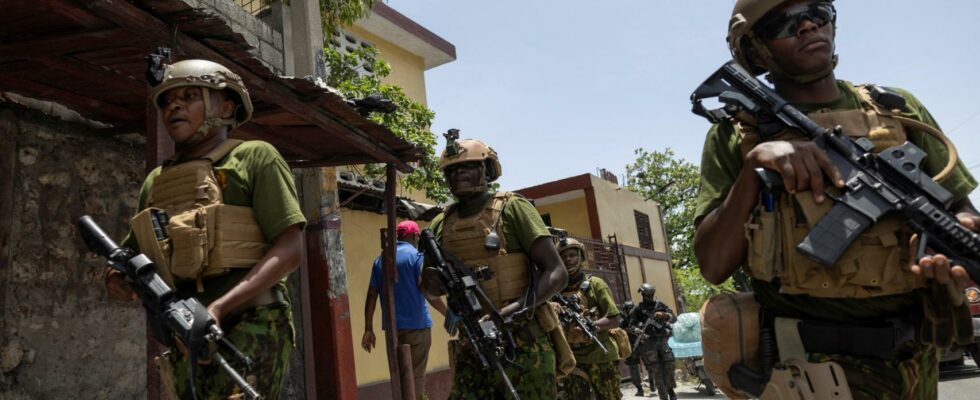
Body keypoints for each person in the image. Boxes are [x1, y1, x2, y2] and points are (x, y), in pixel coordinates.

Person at [694, 0, 980, 398]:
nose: (809, 26)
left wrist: (960, 232)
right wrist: (755, 167)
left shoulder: (896, 109)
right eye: (786, 22)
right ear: (756, 48)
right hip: (812, 370)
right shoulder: (737, 135)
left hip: (917, 356)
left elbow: (960, 207)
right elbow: (712, 263)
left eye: (819, 12)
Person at [104, 59, 306, 399]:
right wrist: (116, 278)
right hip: (185, 336)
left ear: (226, 107)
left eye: (190, 95)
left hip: (250, 324)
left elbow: (290, 249)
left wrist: (219, 307)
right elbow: (133, 253)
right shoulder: (157, 181)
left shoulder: (256, 157)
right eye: (168, 101)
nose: (175, 105)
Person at [419, 134, 569, 399]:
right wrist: (434, 285)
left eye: (467, 166)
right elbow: (429, 289)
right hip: (473, 343)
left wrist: (510, 312)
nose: (458, 174)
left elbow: (557, 273)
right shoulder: (440, 224)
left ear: (487, 169)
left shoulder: (513, 208)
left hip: (523, 341)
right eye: (451, 170)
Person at [362, 220, 447, 400]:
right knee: (415, 378)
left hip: (393, 330)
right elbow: (428, 290)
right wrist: (447, 313)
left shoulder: (381, 259)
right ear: (415, 236)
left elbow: (371, 294)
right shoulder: (416, 257)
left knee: (398, 377)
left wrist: (368, 328)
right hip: (418, 328)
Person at [554, 238, 622, 400]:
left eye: (572, 255)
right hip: (572, 361)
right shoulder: (555, 291)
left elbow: (614, 318)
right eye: (563, 256)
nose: (568, 259)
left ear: (581, 257)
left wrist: (592, 325)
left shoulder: (596, 284)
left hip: (600, 357)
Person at [627, 284, 676, 400]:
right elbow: (631, 326)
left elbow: (673, 317)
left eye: (650, 294)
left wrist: (665, 315)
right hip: (649, 344)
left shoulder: (660, 305)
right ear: (642, 294)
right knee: (656, 372)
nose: (649, 297)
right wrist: (638, 331)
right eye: (646, 294)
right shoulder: (637, 309)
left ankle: (671, 390)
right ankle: (663, 396)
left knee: (669, 367)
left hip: (663, 340)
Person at [620, 301, 649, 396]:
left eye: (630, 309)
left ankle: (652, 382)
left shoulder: (640, 317)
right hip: (631, 346)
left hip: (642, 344)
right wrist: (626, 330)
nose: (629, 311)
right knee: (633, 367)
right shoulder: (624, 320)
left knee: (650, 363)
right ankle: (639, 388)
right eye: (627, 310)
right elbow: (619, 330)